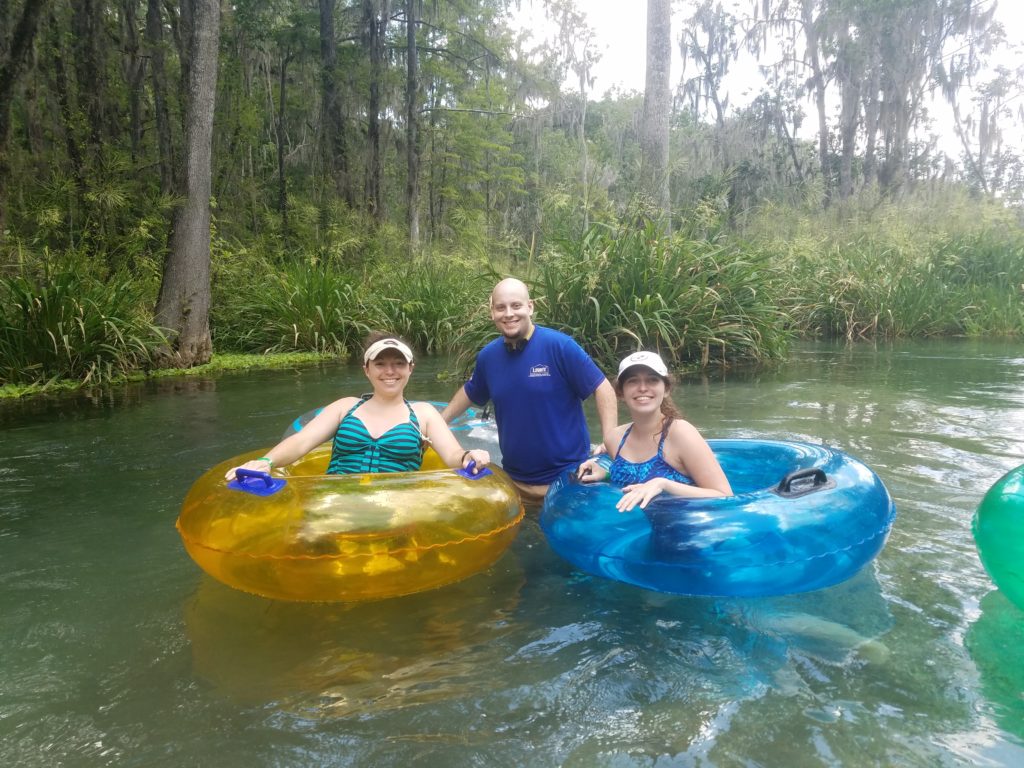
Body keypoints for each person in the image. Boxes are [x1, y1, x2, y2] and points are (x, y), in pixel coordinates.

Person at [440, 277, 617, 501]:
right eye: (501, 307)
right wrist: (438, 424)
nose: (509, 314)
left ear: (530, 307)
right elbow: (471, 391)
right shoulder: (488, 357)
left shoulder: (560, 346)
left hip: (568, 481)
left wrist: (610, 441)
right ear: (492, 312)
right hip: (515, 483)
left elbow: (603, 388)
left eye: (516, 305)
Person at [226, 333, 490, 480]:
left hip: (398, 508)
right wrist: (265, 461)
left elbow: (454, 455)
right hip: (335, 504)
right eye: (380, 363)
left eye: (398, 364)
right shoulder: (345, 407)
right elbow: (302, 442)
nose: (390, 371)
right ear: (366, 370)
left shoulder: (423, 414)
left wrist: (470, 457)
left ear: (411, 368)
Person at [576, 350, 732, 511]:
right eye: (632, 381)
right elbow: (632, 477)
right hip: (649, 529)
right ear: (621, 392)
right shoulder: (614, 439)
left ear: (666, 389)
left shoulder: (681, 433)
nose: (642, 388)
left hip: (695, 531)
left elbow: (724, 495)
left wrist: (663, 484)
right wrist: (606, 472)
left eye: (652, 380)